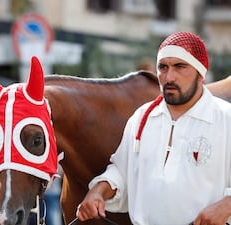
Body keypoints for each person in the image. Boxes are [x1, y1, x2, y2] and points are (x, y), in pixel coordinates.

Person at [76, 31, 231, 225]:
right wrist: (98, 191)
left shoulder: (226, 118)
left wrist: (227, 205)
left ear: (200, 73)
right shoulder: (142, 117)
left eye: (180, 66)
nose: (169, 77)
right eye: (163, 67)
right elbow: (122, 173)